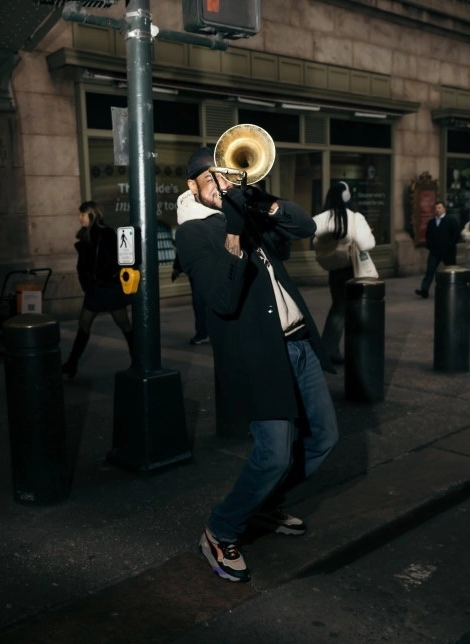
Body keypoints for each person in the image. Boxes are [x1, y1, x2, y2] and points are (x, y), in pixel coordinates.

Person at [175, 147, 339, 583]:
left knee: (323, 437)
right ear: (193, 187)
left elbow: (304, 226)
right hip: (258, 355)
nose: (220, 184)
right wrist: (233, 233)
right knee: (273, 454)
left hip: (298, 343)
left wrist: (262, 203)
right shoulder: (191, 235)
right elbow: (223, 302)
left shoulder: (249, 210)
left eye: (225, 177)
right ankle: (221, 529)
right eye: (211, 179)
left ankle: (263, 505)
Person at [61, 201, 134, 378]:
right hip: (95, 290)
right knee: (84, 324)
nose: (79, 218)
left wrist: (108, 275)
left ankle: (138, 360)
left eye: (83, 214)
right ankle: (72, 363)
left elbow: (120, 258)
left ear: (92, 215)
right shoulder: (86, 235)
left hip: (108, 289)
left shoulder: (106, 233)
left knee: (124, 324)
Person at [312, 181, 375, 365]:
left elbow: (316, 242)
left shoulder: (320, 218)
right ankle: (328, 350)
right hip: (351, 270)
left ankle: (332, 351)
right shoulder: (355, 218)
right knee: (345, 310)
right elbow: (367, 244)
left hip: (333, 270)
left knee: (338, 306)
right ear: (347, 197)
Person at [415, 200, 461, 298]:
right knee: (429, 271)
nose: (437, 210)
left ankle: (454, 290)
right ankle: (424, 290)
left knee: (451, 271)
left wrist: (450, 246)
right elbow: (428, 235)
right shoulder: (432, 222)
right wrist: (430, 245)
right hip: (434, 252)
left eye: (439, 207)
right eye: (436, 208)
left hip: (448, 252)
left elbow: (456, 235)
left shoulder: (451, 220)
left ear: (444, 209)